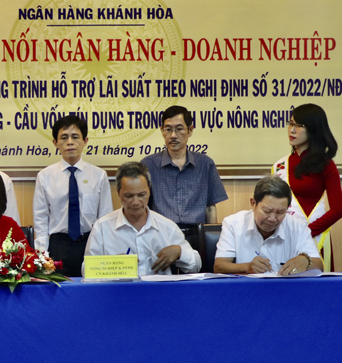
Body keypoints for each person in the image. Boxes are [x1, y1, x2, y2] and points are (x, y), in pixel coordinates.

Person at [84, 162, 200, 277]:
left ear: (149, 191)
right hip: (118, 293)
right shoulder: (102, 227)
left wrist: (179, 252)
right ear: (118, 194)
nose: (135, 202)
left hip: (159, 293)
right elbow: (86, 270)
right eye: (129, 196)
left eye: (141, 195)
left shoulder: (167, 227)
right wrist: (112, 265)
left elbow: (196, 265)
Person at [33, 116, 113, 277]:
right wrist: (42, 255)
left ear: (85, 141)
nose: (70, 142)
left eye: (75, 137)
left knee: (91, 294)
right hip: (57, 245)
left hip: (90, 243)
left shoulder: (99, 176)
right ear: (55, 143)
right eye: (64, 137)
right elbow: (40, 220)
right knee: (58, 296)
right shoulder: (45, 176)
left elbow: (105, 218)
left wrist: (105, 252)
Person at [141, 105, 227, 249]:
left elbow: (210, 208)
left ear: (190, 130)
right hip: (161, 237)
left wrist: (211, 241)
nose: (173, 135)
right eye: (168, 129)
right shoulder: (148, 165)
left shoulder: (205, 164)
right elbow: (144, 207)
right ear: (162, 130)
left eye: (179, 129)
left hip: (196, 237)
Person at [272, 103, 342, 270]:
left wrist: (306, 232)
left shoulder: (325, 164)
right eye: (291, 123)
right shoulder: (281, 165)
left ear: (314, 129)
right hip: (286, 238)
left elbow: (338, 208)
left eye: (299, 125)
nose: (292, 130)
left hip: (314, 238)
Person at [214, 176, 322, 276]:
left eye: (280, 212)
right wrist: (247, 267)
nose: (272, 218)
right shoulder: (233, 223)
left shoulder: (298, 227)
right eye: (267, 211)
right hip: (247, 291)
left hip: (286, 291)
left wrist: (306, 261)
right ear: (253, 203)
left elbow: (319, 266)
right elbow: (219, 267)